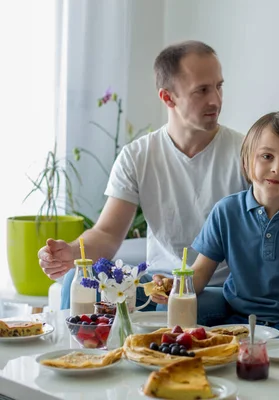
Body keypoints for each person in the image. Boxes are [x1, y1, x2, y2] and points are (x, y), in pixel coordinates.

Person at [37, 40, 247, 310]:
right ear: (167, 97)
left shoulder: (246, 153)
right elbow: (107, 234)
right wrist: (71, 252)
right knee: (79, 279)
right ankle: (74, 353)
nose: (215, 100)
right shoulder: (137, 156)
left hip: (215, 290)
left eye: (219, 86)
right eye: (202, 90)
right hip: (154, 284)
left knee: (173, 305)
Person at [152, 110, 279, 338]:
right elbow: (200, 273)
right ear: (247, 158)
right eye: (266, 156)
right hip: (232, 314)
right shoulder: (226, 211)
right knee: (170, 305)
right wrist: (175, 285)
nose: (277, 168)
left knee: (263, 356)